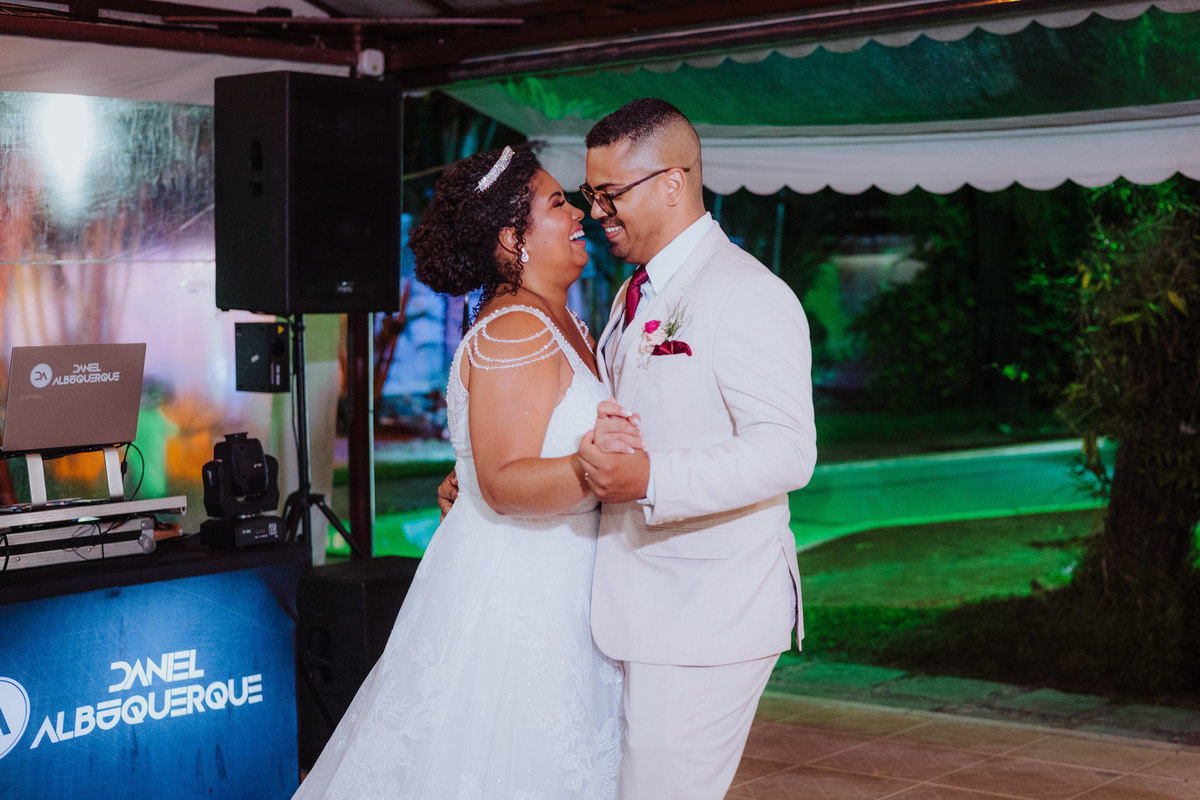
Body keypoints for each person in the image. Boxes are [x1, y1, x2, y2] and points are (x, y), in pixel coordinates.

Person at [293, 146, 625, 799]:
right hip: (520, 591)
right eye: (558, 203)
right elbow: (503, 481)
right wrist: (599, 470)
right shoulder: (515, 329)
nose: (578, 212)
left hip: (565, 578)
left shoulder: (566, 320)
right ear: (513, 237)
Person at [576, 98, 817, 800]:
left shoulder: (748, 294)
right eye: (591, 195)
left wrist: (652, 476)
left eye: (611, 193)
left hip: (711, 609)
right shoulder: (632, 292)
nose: (597, 212)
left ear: (674, 182)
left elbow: (786, 451)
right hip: (638, 604)